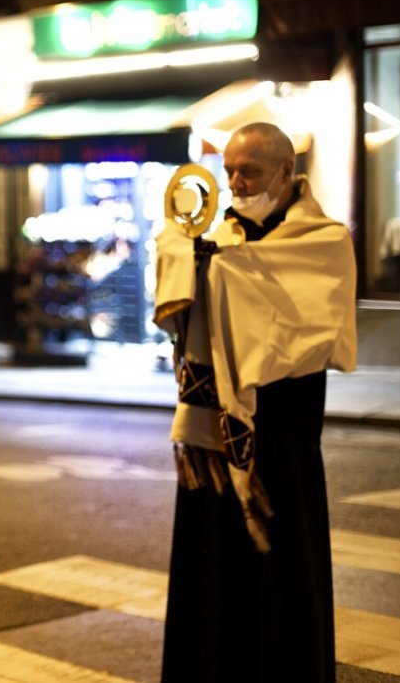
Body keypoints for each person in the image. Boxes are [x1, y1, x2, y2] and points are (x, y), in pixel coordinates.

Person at [154, 122, 357, 682]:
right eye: (230, 172)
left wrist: (221, 276)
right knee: (213, 568)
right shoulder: (219, 238)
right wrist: (185, 262)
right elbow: (184, 318)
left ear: (287, 172)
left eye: (251, 171)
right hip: (216, 433)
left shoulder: (325, 242)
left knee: (282, 569)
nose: (238, 183)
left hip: (283, 435)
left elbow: (312, 331)